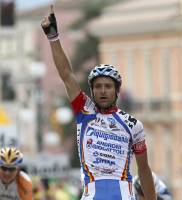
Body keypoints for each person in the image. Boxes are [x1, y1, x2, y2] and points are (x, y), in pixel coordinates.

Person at [41, 5, 156, 200]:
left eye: (108, 86)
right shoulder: (84, 110)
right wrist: (53, 37)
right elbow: (66, 74)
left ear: (117, 91)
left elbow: (144, 170)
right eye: (98, 86)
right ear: (92, 91)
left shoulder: (133, 125)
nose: (103, 91)